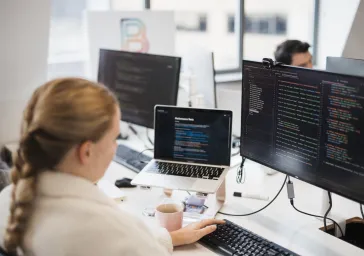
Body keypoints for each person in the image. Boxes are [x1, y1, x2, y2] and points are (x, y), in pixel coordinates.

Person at [0, 78, 224, 256]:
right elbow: (116, 242)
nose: (116, 147)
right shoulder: (107, 231)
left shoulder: (8, 200)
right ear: (86, 151)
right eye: (114, 138)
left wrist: (169, 238)